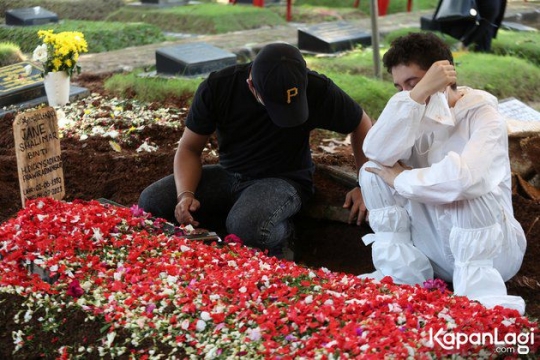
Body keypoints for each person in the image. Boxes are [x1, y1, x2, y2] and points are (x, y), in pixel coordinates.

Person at [138, 42, 372, 258]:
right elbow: (189, 149)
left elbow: (361, 124)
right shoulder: (218, 87)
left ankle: (283, 237)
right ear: (251, 85)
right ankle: (232, 224)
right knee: (152, 202)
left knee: (247, 227)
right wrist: (185, 195)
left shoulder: (317, 89)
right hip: (230, 174)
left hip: (283, 180)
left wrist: (365, 185)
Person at [358, 32, 526, 314]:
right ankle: (403, 274)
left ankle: (479, 297)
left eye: (414, 82)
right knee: (372, 172)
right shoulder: (412, 107)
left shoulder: (484, 116)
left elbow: (464, 180)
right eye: (400, 87)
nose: (407, 93)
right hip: (432, 249)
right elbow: (375, 152)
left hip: (491, 256)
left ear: (442, 75)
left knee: (469, 192)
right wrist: (416, 95)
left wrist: (402, 179)